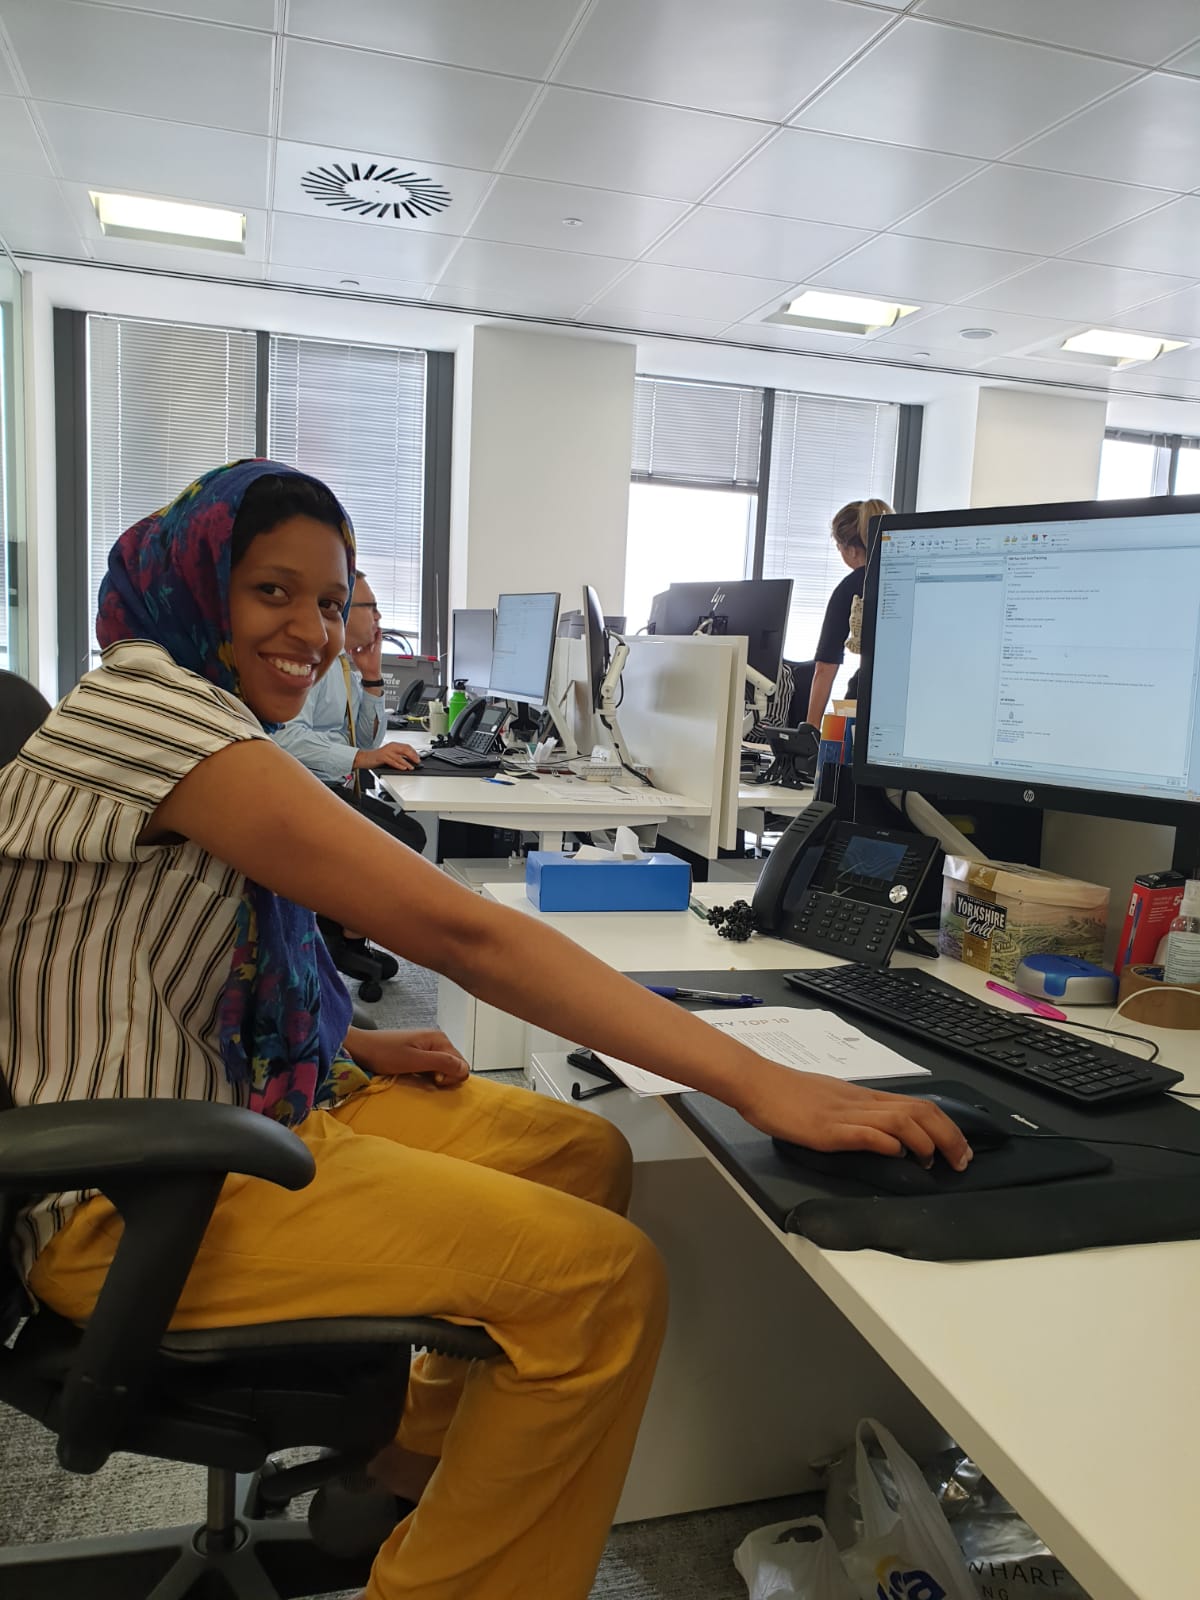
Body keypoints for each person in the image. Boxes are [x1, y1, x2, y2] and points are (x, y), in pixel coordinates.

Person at [0, 461, 969, 1600]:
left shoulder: (181, 702)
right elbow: (468, 939)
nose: (312, 631)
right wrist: (760, 1082)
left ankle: (408, 1464)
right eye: (273, 592)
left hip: (237, 1101)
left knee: (580, 1151)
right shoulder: (152, 713)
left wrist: (351, 1042)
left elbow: (138, 960)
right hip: (128, 1194)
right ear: (199, 584)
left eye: (329, 598)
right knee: (603, 1286)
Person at [274, 568, 426, 982]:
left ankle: (346, 931)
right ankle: (339, 931)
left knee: (410, 833)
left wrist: (373, 678)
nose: (379, 618)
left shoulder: (346, 666)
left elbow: (363, 735)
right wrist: (362, 757)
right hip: (302, 789)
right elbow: (285, 738)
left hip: (333, 783)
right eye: (371, 608)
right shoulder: (315, 666)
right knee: (401, 840)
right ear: (341, 611)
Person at [805, 497, 893, 730]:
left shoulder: (851, 587)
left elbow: (825, 668)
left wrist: (810, 732)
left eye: (839, 547)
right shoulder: (905, 575)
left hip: (867, 698)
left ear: (853, 551)